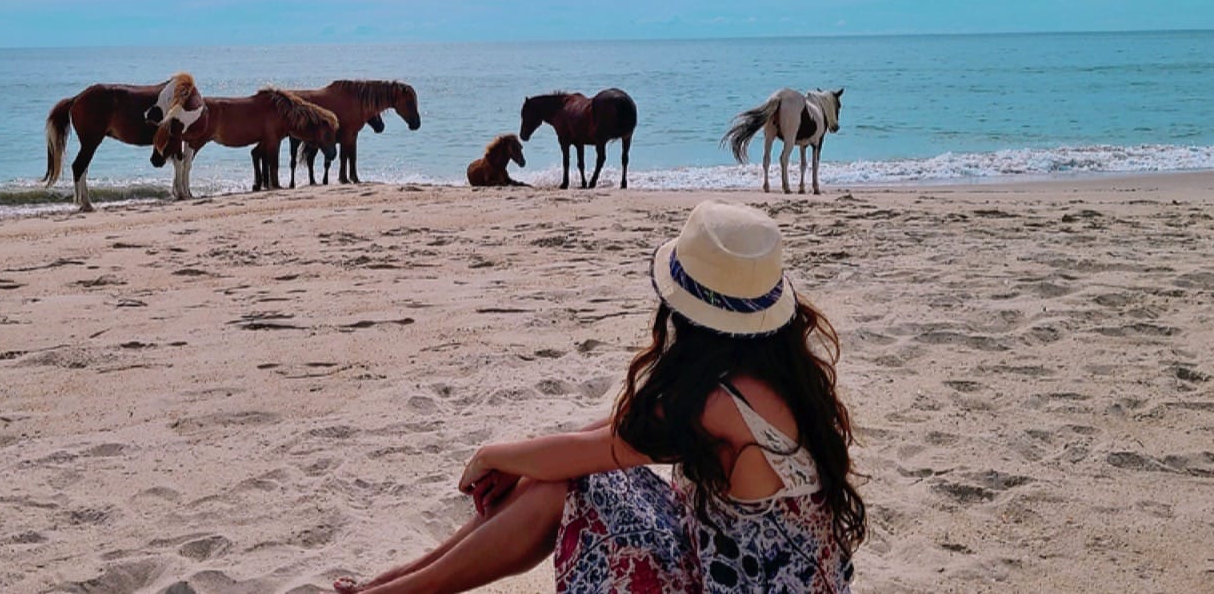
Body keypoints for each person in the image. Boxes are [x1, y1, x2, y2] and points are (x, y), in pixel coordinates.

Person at [334, 201, 864, 593]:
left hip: (738, 583)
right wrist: (521, 460)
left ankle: (400, 591)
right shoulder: (774, 371)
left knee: (565, 487)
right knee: (566, 474)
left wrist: (492, 456)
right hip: (743, 568)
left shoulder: (720, 406)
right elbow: (610, 431)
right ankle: (399, 582)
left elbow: (597, 451)